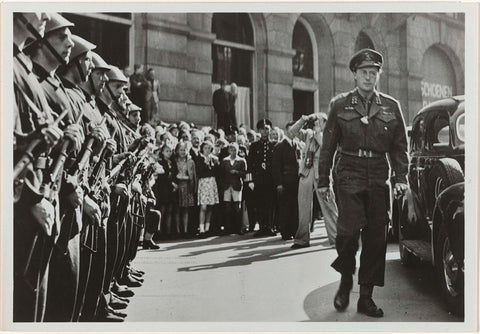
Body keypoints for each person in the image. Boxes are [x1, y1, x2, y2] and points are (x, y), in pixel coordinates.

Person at [317, 49, 409, 317]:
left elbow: (400, 147)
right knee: (346, 234)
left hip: (379, 175)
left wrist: (401, 177)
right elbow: (328, 147)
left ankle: (365, 297)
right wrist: (323, 180)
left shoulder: (391, 107)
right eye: (364, 72)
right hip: (349, 173)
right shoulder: (340, 105)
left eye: (373, 72)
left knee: (376, 239)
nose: (369, 77)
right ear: (355, 75)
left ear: (378, 75)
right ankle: (346, 278)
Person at [289, 112, 338, 249]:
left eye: (319, 120)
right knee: (303, 206)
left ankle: (337, 238)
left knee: (329, 206)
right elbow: (292, 132)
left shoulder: (330, 134)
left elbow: (324, 145)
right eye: (315, 120)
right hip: (307, 171)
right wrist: (302, 120)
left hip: (322, 173)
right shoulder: (308, 134)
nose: (316, 122)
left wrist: (317, 132)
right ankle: (301, 239)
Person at [247, 119, 276, 237]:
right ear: (259, 131)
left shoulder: (274, 145)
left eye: (267, 129)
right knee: (259, 203)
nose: (265, 132)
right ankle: (262, 227)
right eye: (262, 129)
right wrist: (250, 180)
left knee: (270, 203)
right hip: (258, 179)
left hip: (270, 179)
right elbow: (249, 164)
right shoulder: (254, 146)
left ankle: (270, 226)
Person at [272, 121, 299, 241]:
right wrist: (279, 183)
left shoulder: (298, 145)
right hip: (285, 181)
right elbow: (276, 167)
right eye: (291, 130)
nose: (294, 132)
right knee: (285, 208)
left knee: (294, 207)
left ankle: (294, 230)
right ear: (287, 131)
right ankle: (285, 232)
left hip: (296, 181)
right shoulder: (280, 146)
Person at [221, 142, 247, 234]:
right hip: (227, 185)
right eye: (231, 150)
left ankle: (239, 227)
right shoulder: (225, 161)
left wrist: (236, 172)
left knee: (237, 207)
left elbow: (245, 173)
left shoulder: (241, 160)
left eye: (235, 150)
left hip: (237, 185)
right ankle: (228, 228)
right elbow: (222, 173)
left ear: (238, 150)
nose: (233, 152)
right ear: (228, 150)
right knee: (227, 207)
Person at [196, 141, 220, 237]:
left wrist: (215, 161)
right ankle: (201, 229)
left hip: (211, 182)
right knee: (203, 207)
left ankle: (207, 228)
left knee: (210, 206)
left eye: (209, 148)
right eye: (205, 148)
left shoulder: (213, 159)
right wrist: (206, 162)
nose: (207, 150)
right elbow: (200, 171)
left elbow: (216, 171)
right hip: (203, 182)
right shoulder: (199, 158)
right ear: (202, 149)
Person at [174, 141, 196, 237]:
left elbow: (193, 176)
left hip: (187, 186)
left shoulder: (190, 161)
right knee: (177, 209)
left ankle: (186, 230)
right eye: (181, 150)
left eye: (184, 150)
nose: (183, 152)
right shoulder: (175, 161)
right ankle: (178, 231)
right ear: (177, 151)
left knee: (186, 209)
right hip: (177, 187)